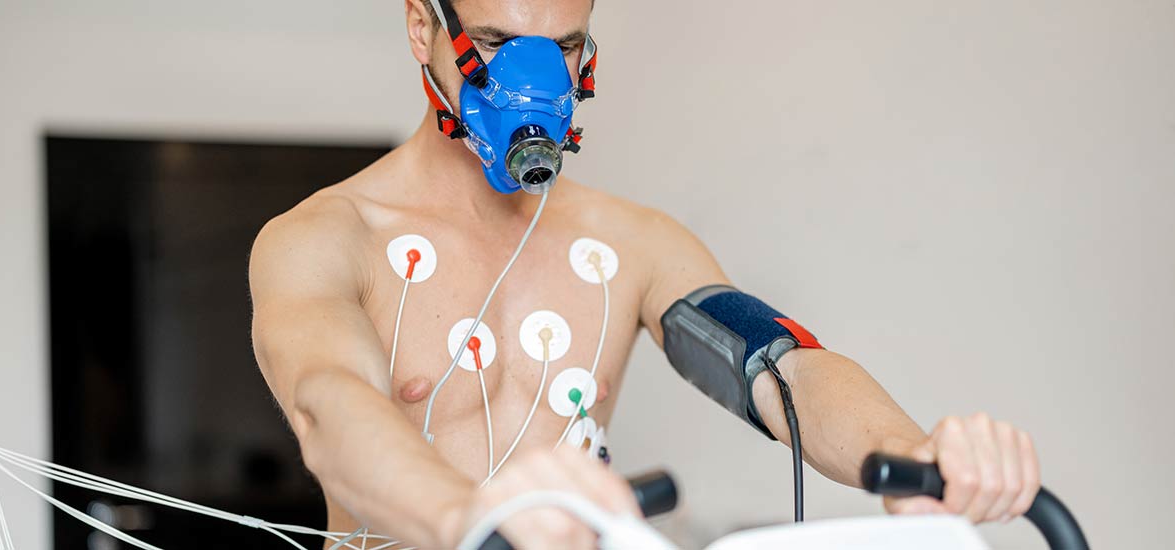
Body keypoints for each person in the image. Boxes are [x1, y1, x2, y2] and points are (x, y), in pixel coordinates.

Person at [248, 1, 1041, 548]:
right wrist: (469, 519)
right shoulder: (327, 238)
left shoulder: (629, 241)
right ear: (423, 26)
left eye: (561, 47)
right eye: (493, 42)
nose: (535, 80)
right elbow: (329, 409)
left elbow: (783, 368)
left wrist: (912, 458)